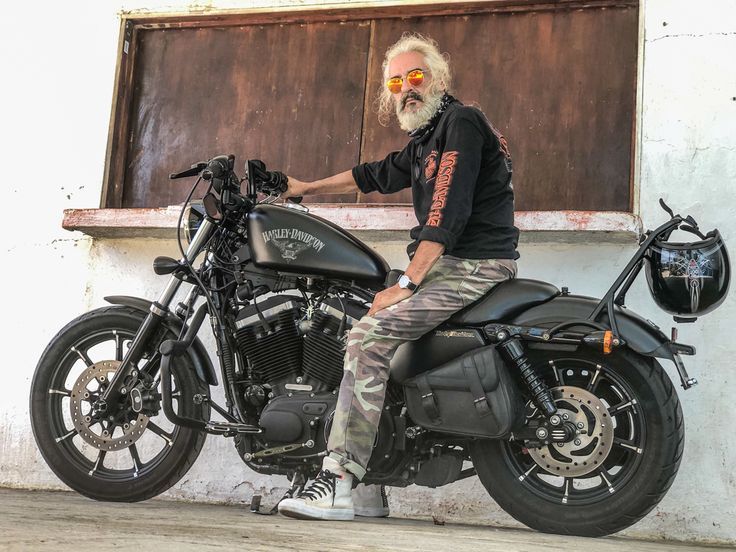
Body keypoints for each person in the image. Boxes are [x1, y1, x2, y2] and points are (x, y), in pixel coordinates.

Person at [278, 33, 520, 521]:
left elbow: (448, 213)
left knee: (369, 336)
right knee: (356, 313)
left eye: (415, 76)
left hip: (471, 266)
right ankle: (373, 483)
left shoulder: (462, 123)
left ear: (438, 79)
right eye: (396, 81)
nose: (406, 88)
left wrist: (407, 283)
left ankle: (340, 481)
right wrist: (306, 188)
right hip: (450, 265)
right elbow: (373, 175)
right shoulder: (425, 140)